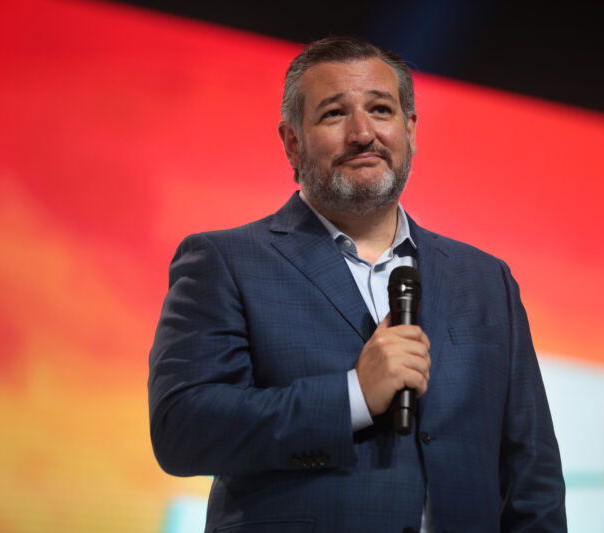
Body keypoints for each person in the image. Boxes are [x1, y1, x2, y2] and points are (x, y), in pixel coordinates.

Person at [149, 36, 566, 533]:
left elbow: (531, 474)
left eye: (381, 109)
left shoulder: (485, 279)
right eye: (333, 114)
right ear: (292, 141)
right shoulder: (224, 261)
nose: (363, 133)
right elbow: (183, 429)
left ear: (409, 130)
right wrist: (354, 397)